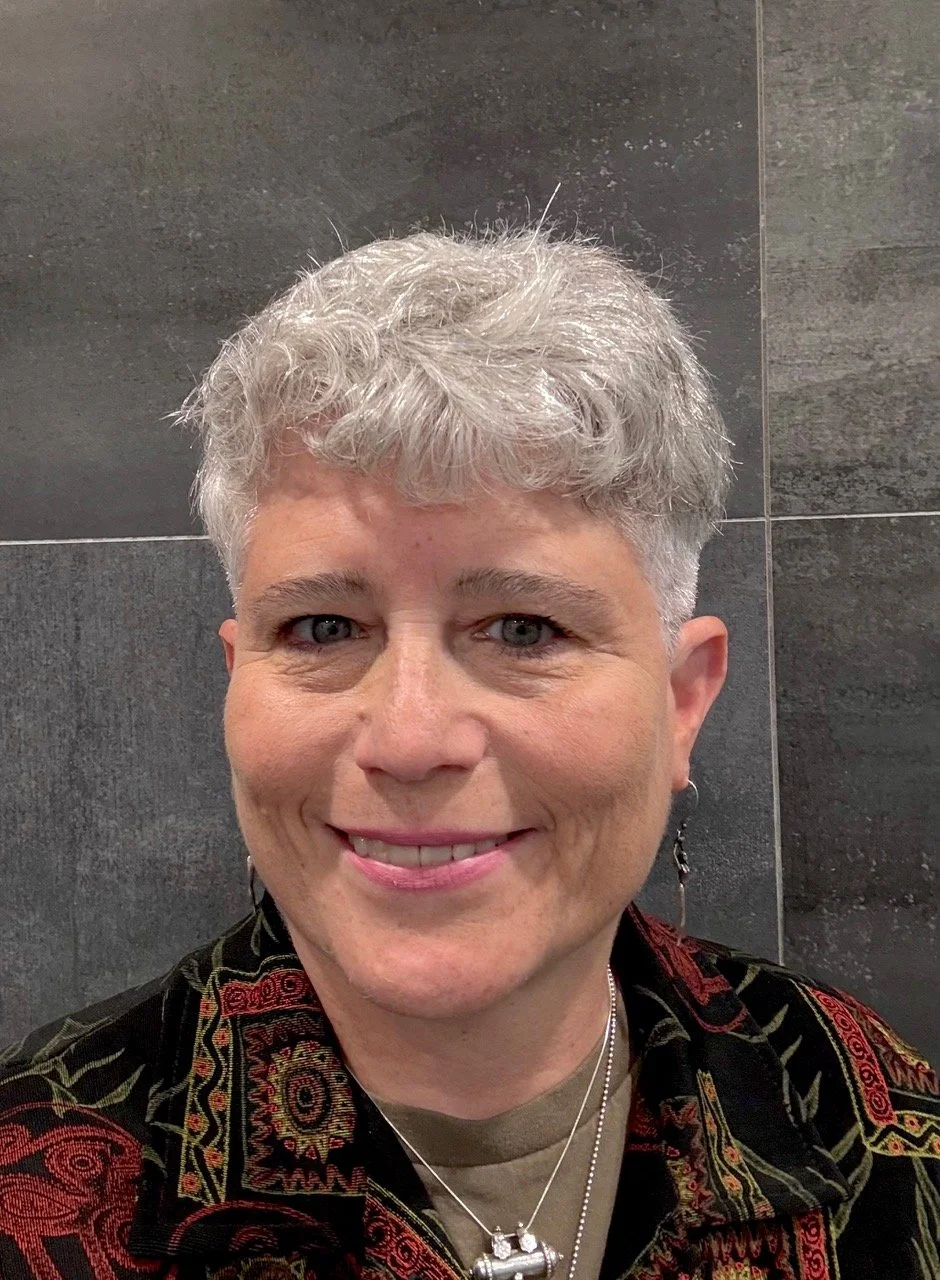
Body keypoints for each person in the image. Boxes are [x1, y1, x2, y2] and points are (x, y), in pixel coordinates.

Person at [0, 225, 937, 1280]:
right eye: (321, 629)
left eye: (523, 628)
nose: (410, 738)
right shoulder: (35, 1193)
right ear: (237, 681)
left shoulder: (889, 1136)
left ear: (681, 701)